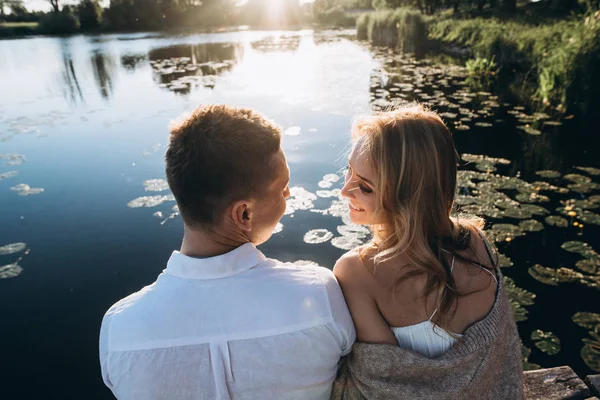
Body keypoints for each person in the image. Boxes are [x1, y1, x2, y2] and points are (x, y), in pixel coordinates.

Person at [99, 105, 355, 399]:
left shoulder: (119, 330)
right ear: (244, 214)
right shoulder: (319, 296)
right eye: (283, 187)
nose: (288, 195)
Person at [331, 104, 523, 399]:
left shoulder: (356, 272)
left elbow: (385, 387)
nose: (345, 190)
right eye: (349, 170)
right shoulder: (477, 242)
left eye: (365, 187)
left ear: (409, 196)